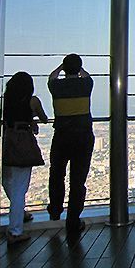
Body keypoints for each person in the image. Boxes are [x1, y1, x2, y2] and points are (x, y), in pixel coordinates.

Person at [47, 54, 95, 235]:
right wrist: (75, 68)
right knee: (78, 179)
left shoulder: (56, 86)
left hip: (61, 136)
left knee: (57, 173)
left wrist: (62, 67)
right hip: (83, 137)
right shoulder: (86, 84)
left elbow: (52, 76)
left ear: (65, 69)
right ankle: (73, 220)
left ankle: (55, 210)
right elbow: (87, 75)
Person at [1, 72, 48, 244]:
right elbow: (44, 118)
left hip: (7, 139)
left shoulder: (6, 99)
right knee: (20, 186)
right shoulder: (32, 100)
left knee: (7, 180)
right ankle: (15, 231)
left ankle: (19, 214)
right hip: (23, 142)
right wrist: (32, 119)